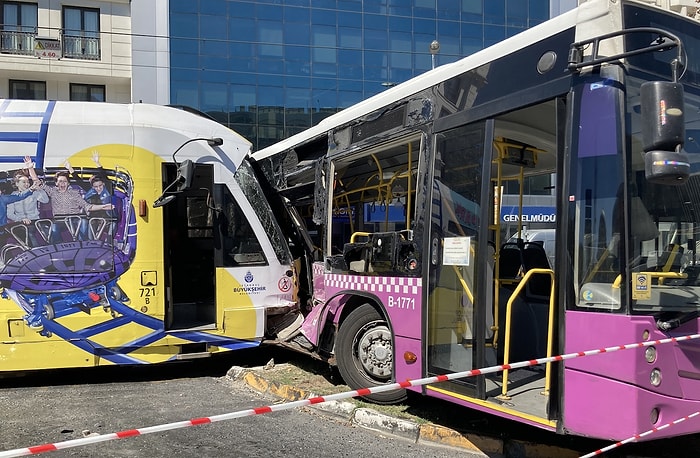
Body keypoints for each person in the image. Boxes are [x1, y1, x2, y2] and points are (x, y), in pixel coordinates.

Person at [6, 168, 49, 246]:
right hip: (21, 223)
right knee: (29, 233)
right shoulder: (12, 196)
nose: (27, 184)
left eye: (28, 182)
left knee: (48, 231)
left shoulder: (33, 193)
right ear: (17, 184)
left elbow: (45, 200)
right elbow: (9, 213)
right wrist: (21, 219)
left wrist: (39, 189)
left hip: (35, 221)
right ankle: (36, 252)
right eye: (24, 182)